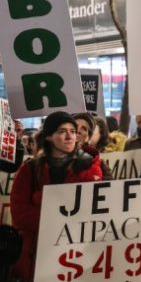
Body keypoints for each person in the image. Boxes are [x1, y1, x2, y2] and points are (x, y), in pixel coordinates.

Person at [10, 112, 106, 281]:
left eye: (73, 131)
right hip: (37, 254)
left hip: (76, 254)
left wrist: (43, 204)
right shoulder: (29, 170)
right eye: (62, 131)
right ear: (48, 137)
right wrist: (59, 219)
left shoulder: (90, 167)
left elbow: (91, 211)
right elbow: (20, 214)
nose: (70, 136)